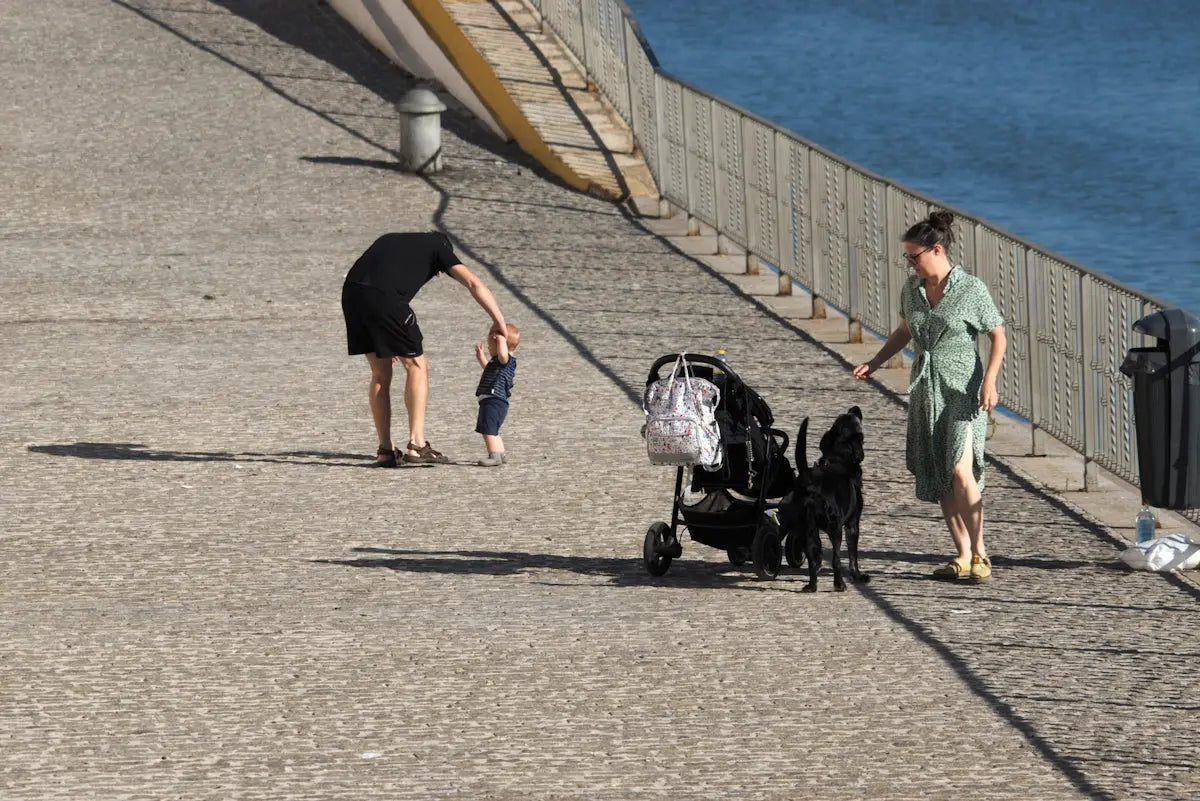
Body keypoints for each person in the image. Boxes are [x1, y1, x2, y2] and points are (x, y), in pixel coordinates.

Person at [852, 211, 1007, 582]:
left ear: (936, 250)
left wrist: (990, 381)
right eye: (907, 257)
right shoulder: (912, 290)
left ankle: (982, 552)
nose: (910, 264)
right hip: (926, 388)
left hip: (963, 388)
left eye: (914, 256)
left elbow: (998, 335)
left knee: (959, 467)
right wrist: (875, 361)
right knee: (940, 473)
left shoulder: (971, 290)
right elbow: (905, 331)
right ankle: (963, 554)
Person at [341, 231, 507, 467]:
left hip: (352, 294)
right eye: (440, 270)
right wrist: (499, 321)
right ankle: (417, 444)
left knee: (380, 373)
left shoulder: (392, 240)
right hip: (385, 298)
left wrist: (389, 336)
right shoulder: (437, 247)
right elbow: (473, 282)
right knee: (418, 365)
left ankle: (385, 450)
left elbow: (380, 273)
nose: (438, 274)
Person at [473, 323, 521, 467]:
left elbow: (503, 355)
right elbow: (489, 369)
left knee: (488, 429)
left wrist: (500, 340)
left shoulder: (506, 359)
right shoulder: (497, 363)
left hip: (493, 400)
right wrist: (481, 358)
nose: (489, 347)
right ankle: (500, 454)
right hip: (494, 401)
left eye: (491, 345)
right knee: (493, 430)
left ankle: (493, 455)